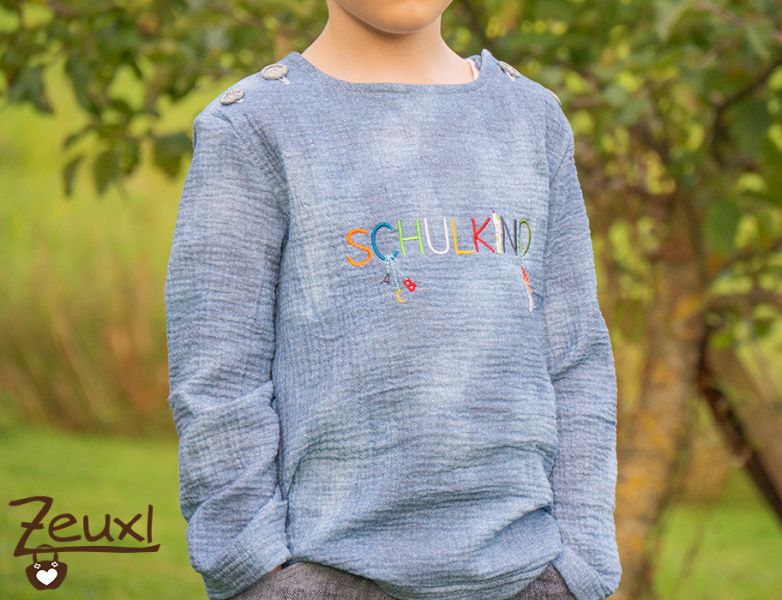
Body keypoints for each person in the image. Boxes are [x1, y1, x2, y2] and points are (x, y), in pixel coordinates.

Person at [164, 1, 622, 599]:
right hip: (321, 576)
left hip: (530, 574)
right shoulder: (253, 126)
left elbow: (576, 359)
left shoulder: (530, 118)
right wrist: (254, 570)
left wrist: (580, 564)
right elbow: (219, 378)